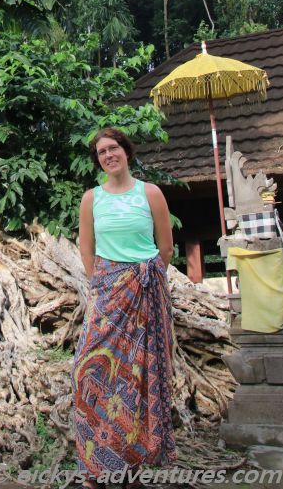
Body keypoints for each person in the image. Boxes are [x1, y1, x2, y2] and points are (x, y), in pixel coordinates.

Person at [72, 127, 176, 485]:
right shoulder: (91, 199)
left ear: (126, 151)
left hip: (145, 292)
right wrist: (104, 284)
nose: (108, 155)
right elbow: (87, 248)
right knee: (88, 372)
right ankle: (94, 466)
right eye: (102, 152)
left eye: (113, 148)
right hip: (107, 295)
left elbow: (166, 248)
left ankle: (132, 464)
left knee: (138, 378)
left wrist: (142, 281)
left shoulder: (150, 193)